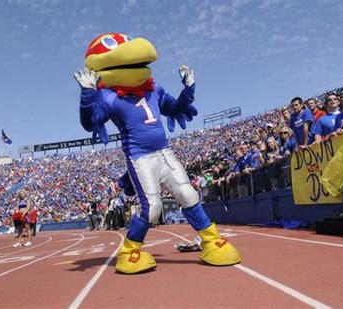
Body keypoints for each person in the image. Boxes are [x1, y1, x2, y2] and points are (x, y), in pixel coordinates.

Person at [74, 33, 240, 274]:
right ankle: (130, 249)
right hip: (140, 156)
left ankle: (211, 239)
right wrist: (87, 95)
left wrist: (188, 90)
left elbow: (174, 108)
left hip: (164, 152)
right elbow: (90, 123)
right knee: (152, 208)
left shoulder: (154, 89)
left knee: (188, 193)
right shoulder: (107, 96)